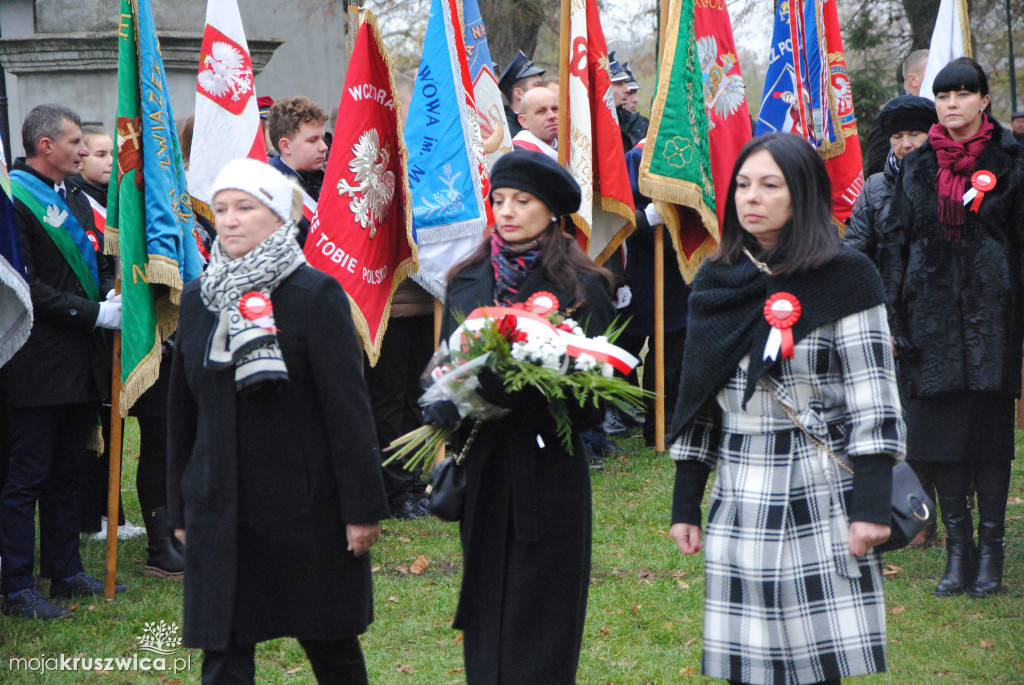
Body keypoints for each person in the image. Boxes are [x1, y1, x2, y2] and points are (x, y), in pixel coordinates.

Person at [670, 132, 904, 685]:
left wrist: (870, 506)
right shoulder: (716, 278)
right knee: (745, 662)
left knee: (813, 661)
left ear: (801, 194)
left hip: (819, 486)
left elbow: (875, 396)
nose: (751, 197)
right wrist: (686, 502)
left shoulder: (848, 276)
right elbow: (700, 397)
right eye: (743, 185)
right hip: (738, 487)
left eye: (769, 185)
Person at [167, 158, 388, 683]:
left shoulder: (313, 294)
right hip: (221, 506)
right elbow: (182, 411)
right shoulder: (200, 298)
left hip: (304, 506)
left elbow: (348, 410)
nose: (230, 220)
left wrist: (361, 509)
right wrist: (181, 503)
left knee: (330, 643)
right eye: (221, 209)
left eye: (246, 207)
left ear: (278, 214)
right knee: (223, 649)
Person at [432, 149, 614, 683]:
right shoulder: (467, 279)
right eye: (498, 200)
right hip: (484, 470)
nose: (506, 211)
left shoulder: (584, 286)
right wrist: (451, 395)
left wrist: (535, 381)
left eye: (522, 201)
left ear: (553, 211)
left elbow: (594, 408)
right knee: (488, 606)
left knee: (543, 613)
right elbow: (446, 371)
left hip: (549, 470)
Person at [880, 57, 1023, 599]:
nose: (952, 103)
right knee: (941, 440)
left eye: (964, 93)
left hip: (993, 320)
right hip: (930, 324)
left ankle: (992, 550)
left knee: (989, 440)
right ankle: (957, 550)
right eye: (944, 95)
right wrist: (896, 315)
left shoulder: (1011, 160)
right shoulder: (916, 168)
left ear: (984, 100)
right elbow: (894, 244)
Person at [0, 104, 127, 620]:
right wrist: (93, 311)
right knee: (27, 474)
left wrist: (111, 294)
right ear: (45, 146)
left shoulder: (72, 194)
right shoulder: (13, 199)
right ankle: (17, 586)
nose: (84, 150)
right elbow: (22, 284)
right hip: (34, 359)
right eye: (76, 142)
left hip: (79, 359)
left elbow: (90, 257)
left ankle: (65, 571)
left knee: (68, 470)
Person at [268, 95, 328, 246]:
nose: (324, 147)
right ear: (286, 146)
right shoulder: (272, 195)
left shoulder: (324, 182)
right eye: (313, 140)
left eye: (322, 138)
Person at [498, 51, 545, 140]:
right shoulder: (506, 130)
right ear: (518, 93)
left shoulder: (548, 122)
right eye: (537, 85)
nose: (543, 90)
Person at [512, 87, 558, 159]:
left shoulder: (571, 146)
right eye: (541, 111)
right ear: (524, 121)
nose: (552, 116)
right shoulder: (519, 157)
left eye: (555, 109)